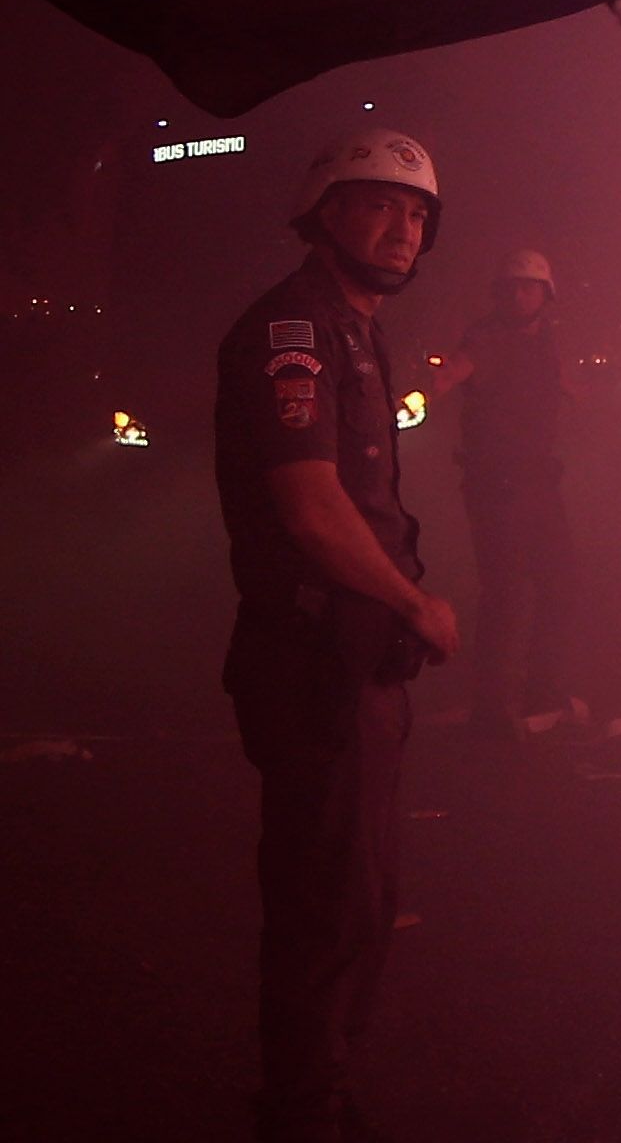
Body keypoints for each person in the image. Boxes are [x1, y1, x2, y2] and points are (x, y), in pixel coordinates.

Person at [213, 130, 462, 1143]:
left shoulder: (355, 329)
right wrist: (415, 604)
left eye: (418, 213)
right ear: (325, 214)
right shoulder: (294, 328)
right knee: (326, 899)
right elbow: (312, 508)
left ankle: (319, 1090)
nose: (403, 229)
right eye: (379, 205)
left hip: (357, 663)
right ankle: (303, 1109)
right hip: (314, 662)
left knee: (358, 895)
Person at [430, 247, 582, 738]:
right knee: (506, 594)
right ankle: (494, 707)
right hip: (497, 486)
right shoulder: (487, 338)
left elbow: (566, 384)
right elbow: (455, 369)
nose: (519, 295)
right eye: (511, 287)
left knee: (559, 585)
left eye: (528, 286)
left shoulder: (547, 339)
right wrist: (426, 389)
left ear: (546, 294)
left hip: (539, 480)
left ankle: (544, 696)